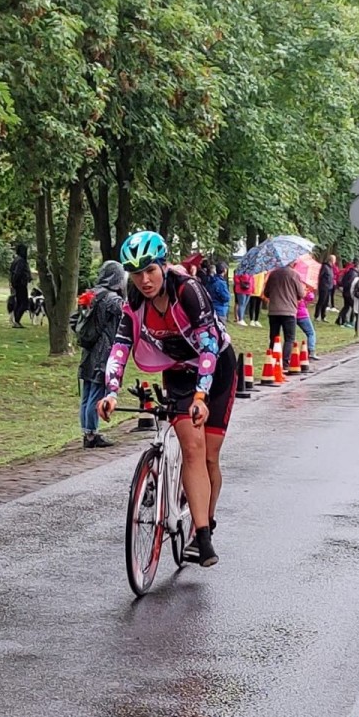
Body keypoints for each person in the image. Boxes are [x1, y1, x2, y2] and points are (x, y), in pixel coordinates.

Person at [99, 230, 238, 568]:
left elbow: (208, 345)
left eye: (150, 270)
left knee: (209, 456)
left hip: (216, 367)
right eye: (136, 274)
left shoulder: (187, 290)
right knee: (192, 447)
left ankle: (206, 525)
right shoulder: (134, 299)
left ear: (163, 265)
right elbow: (120, 345)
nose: (144, 280)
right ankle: (202, 538)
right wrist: (111, 391)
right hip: (178, 373)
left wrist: (202, 395)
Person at [76, 260, 127, 448]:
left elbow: (75, 320)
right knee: (96, 392)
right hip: (104, 350)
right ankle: (92, 435)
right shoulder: (112, 299)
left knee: (87, 392)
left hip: (88, 349)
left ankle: (86, 432)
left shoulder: (91, 294)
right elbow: (128, 313)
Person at [263, 264, 307, 367]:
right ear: (292, 263)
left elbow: (266, 292)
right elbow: (301, 294)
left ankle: (272, 361)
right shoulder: (294, 274)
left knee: (273, 337)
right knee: (289, 338)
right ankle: (285, 362)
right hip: (289, 311)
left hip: (274, 311)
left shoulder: (273, 274)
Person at [9, 244, 32, 329]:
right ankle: (17, 320)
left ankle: (16, 321)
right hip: (21, 284)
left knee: (19, 302)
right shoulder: (21, 261)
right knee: (24, 303)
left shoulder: (16, 260)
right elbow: (18, 272)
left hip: (18, 284)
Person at [296, 289, 319, 361]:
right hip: (302, 314)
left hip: (291, 313)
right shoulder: (304, 288)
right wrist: (310, 290)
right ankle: (311, 351)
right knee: (311, 333)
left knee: (290, 336)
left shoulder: (289, 288)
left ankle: (292, 353)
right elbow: (310, 297)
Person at [336, 260, 359, 327]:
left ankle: (340, 320)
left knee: (346, 307)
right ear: (358, 265)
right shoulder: (354, 273)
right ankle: (349, 321)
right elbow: (350, 283)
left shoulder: (349, 271)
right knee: (353, 307)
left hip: (346, 292)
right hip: (349, 293)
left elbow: (344, 281)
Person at [314, 256, 334, 322]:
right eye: (334, 260)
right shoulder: (325, 267)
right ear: (331, 260)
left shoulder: (330, 268)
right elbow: (320, 276)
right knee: (321, 301)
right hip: (324, 287)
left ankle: (323, 316)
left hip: (329, 287)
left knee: (326, 302)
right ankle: (317, 316)